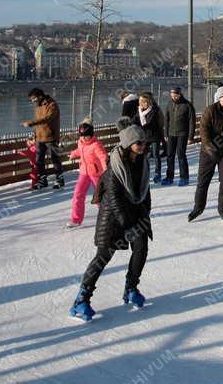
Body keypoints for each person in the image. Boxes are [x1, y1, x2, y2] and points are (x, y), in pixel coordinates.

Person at [69, 125, 152, 322]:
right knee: (102, 257)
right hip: (113, 219)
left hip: (136, 214)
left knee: (141, 249)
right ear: (128, 144)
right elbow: (114, 199)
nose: (142, 146)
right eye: (138, 143)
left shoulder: (142, 162)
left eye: (144, 143)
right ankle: (81, 299)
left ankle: (131, 287)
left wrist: (145, 212)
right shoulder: (114, 168)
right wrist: (128, 223)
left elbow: (145, 189)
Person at [189, 86, 223, 224]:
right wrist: (210, 149)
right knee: (203, 181)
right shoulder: (210, 111)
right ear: (219, 98)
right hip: (208, 152)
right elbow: (204, 131)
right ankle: (198, 207)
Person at [66, 122, 108, 228]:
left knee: (99, 196)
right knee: (78, 194)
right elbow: (80, 151)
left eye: (87, 136)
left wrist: (106, 168)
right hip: (84, 172)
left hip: (96, 173)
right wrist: (73, 154)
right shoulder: (80, 142)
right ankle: (76, 219)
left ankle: (107, 215)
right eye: (82, 136)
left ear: (92, 134)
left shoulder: (96, 145)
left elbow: (103, 157)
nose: (84, 138)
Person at [23, 87, 64, 189]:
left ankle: (60, 180)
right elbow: (39, 123)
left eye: (34, 99)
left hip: (51, 137)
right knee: (39, 161)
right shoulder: (38, 106)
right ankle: (43, 180)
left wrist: (31, 123)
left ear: (40, 96)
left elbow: (47, 119)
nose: (33, 101)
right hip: (39, 138)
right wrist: (34, 134)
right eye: (31, 99)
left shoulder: (52, 105)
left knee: (55, 159)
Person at [163, 87, 196, 186]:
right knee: (169, 156)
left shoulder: (187, 105)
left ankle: (184, 177)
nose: (173, 97)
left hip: (182, 134)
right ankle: (169, 177)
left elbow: (192, 122)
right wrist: (166, 134)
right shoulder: (169, 104)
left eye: (175, 95)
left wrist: (190, 137)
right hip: (171, 134)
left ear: (179, 94)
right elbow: (166, 120)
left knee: (181, 155)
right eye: (172, 95)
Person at [135, 92, 165, 184]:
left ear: (147, 102)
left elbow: (148, 123)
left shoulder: (154, 110)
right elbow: (135, 120)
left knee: (156, 155)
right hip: (144, 137)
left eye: (143, 101)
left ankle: (157, 173)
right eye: (140, 101)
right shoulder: (139, 111)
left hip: (154, 136)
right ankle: (144, 173)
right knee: (143, 155)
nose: (140, 103)